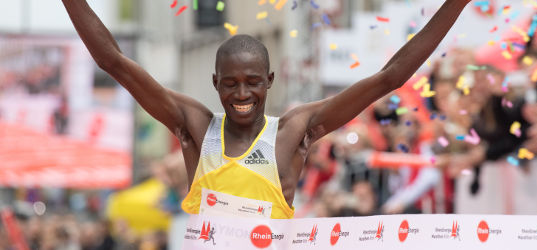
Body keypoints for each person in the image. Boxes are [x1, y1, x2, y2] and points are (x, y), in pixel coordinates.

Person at [61, 0, 471, 220]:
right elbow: (112, 61)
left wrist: (456, 3)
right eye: (231, 83)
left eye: (253, 82)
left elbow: (390, 77)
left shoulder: (294, 130)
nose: (242, 93)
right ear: (215, 84)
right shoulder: (198, 128)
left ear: (269, 81)